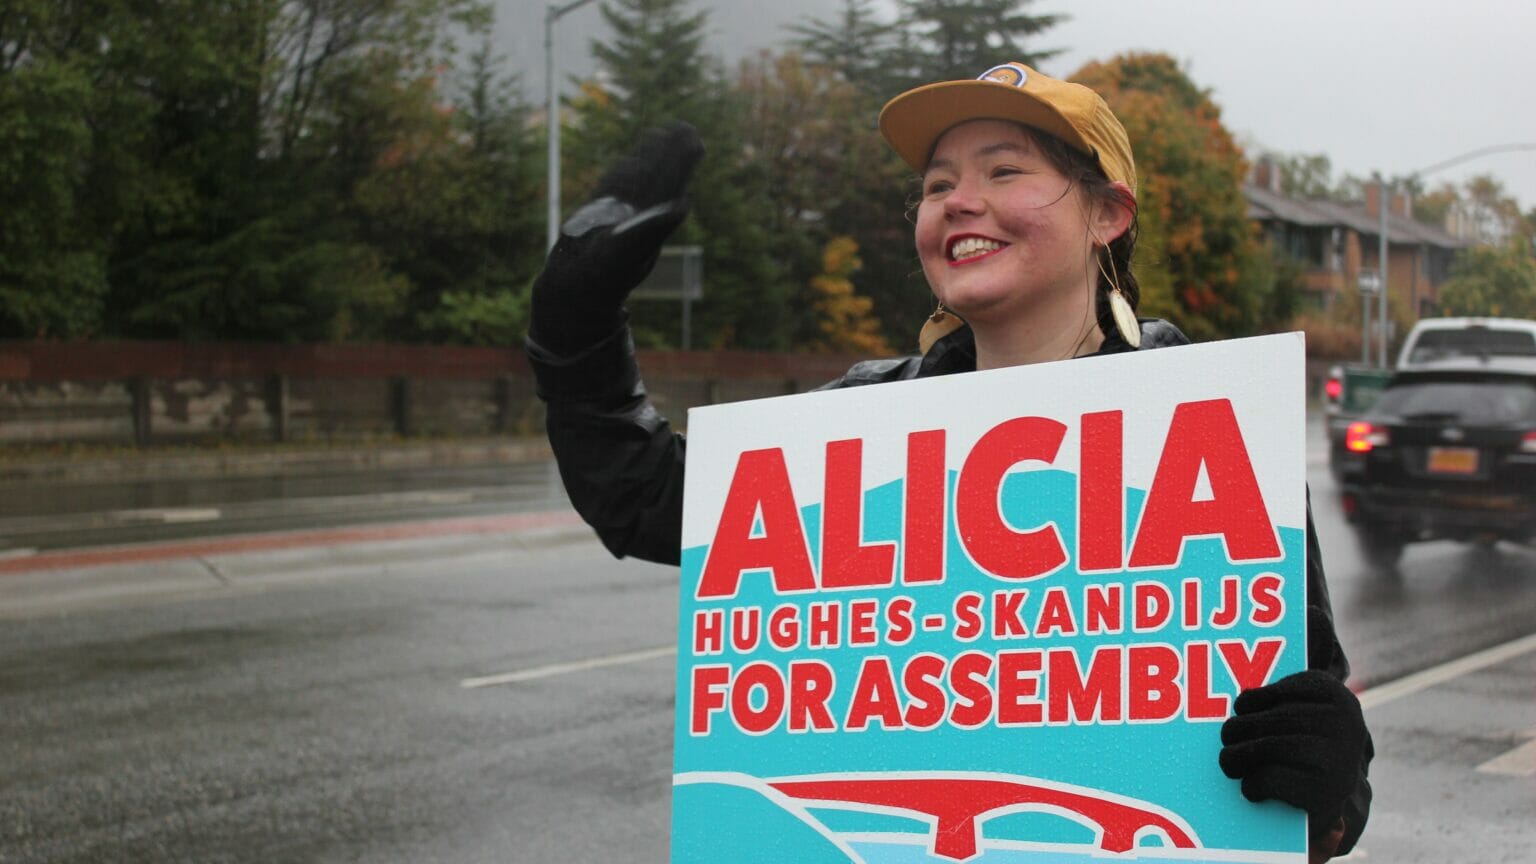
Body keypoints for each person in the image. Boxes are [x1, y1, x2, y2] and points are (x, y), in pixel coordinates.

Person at [526, 61, 1371, 861]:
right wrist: (577, 326)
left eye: (1004, 173)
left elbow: (1318, 791)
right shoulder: (857, 428)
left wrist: (1326, 789)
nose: (961, 203)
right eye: (937, 186)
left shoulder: (1211, 431)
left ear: (1108, 213)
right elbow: (643, 496)